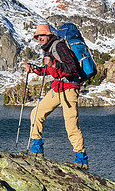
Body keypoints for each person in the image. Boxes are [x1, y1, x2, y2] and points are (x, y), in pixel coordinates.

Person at [24, 24, 88, 170]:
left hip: (70, 87)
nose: (39, 38)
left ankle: (82, 160)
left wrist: (54, 64)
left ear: (49, 35)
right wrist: (35, 69)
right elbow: (50, 70)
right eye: (37, 36)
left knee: (71, 124)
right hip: (58, 87)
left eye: (42, 35)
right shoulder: (48, 49)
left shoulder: (59, 46)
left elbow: (72, 69)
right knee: (36, 113)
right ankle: (37, 149)